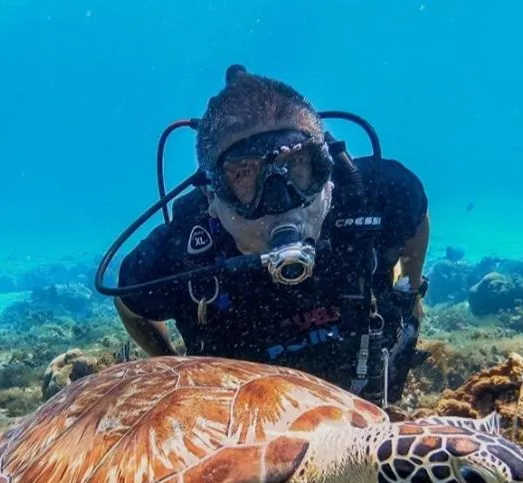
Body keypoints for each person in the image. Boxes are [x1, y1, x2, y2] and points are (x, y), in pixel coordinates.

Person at [114, 65, 431, 407]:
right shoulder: (181, 252)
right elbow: (128, 303)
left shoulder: (379, 194)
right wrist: (174, 367)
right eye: (245, 177)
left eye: (299, 166)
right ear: (211, 197)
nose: (281, 205)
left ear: (328, 173)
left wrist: (410, 294)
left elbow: (417, 218)